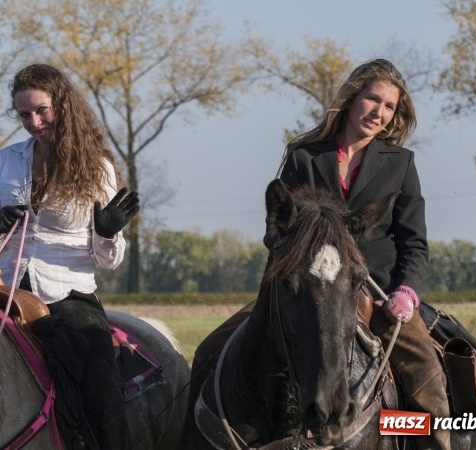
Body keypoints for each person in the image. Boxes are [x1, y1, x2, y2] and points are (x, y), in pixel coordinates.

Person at [186, 59, 450, 450]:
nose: (379, 112)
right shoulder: (303, 156)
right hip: (303, 286)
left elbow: (414, 242)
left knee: (425, 372)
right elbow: (279, 229)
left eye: (389, 106)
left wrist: (406, 293)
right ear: (351, 99)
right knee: (210, 349)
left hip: (375, 291)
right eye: (372, 99)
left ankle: (436, 441)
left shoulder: (401, 164)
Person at [0, 63, 139, 450]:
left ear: (62, 104)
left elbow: (108, 261)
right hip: (1, 285)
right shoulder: (7, 159)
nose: (34, 121)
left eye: (42, 110)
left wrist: (109, 232)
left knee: (101, 388)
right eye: (24, 114)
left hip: (68, 292)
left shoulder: (97, 167)